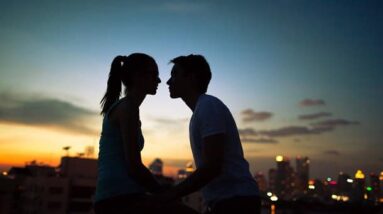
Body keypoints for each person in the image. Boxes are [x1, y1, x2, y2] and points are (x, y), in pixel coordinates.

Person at [94, 54, 198, 214]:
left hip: (121, 197)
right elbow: (134, 166)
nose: (159, 80)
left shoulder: (128, 107)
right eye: (153, 74)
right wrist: (166, 193)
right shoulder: (128, 108)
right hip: (118, 200)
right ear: (138, 77)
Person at [159, 54, 261, 214]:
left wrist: (171, 194)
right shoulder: (201, 110)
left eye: (175, 74)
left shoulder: (208, 106)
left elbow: (212, 167)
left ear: (191, 78)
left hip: (236, 202)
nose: (168, 81)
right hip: (227, 201)